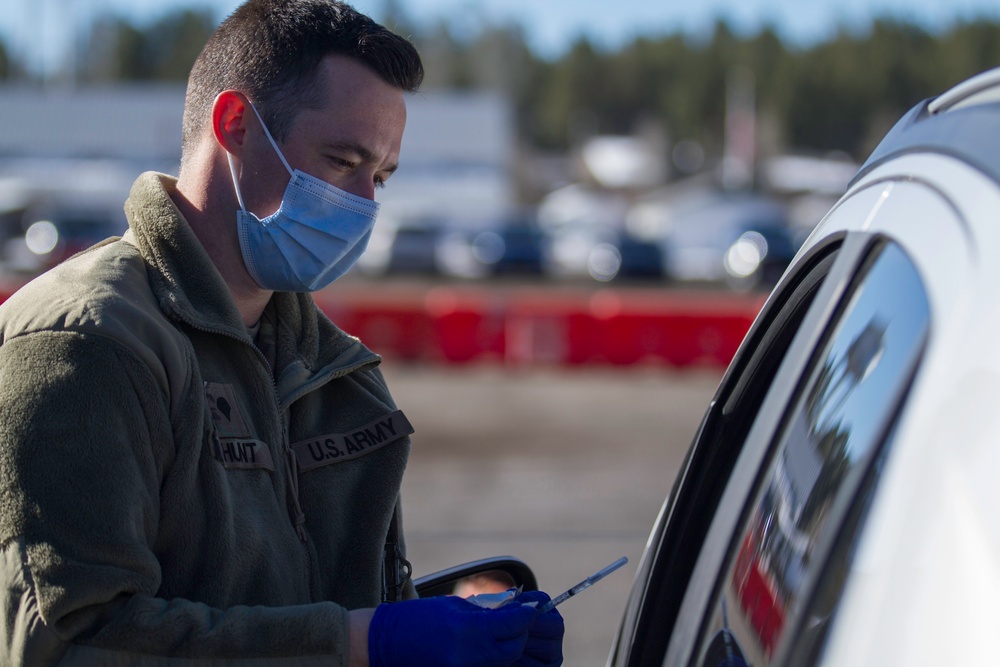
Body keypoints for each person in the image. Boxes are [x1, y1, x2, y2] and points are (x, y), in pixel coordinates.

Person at [0, 1, 564, 665]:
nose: (365, 205)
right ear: (235, 124)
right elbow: (70, 643)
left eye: (379, 175)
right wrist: (359, 642)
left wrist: (454, 625)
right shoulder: (88, 341)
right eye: (342, 160)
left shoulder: (336, 368)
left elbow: (341, 598)